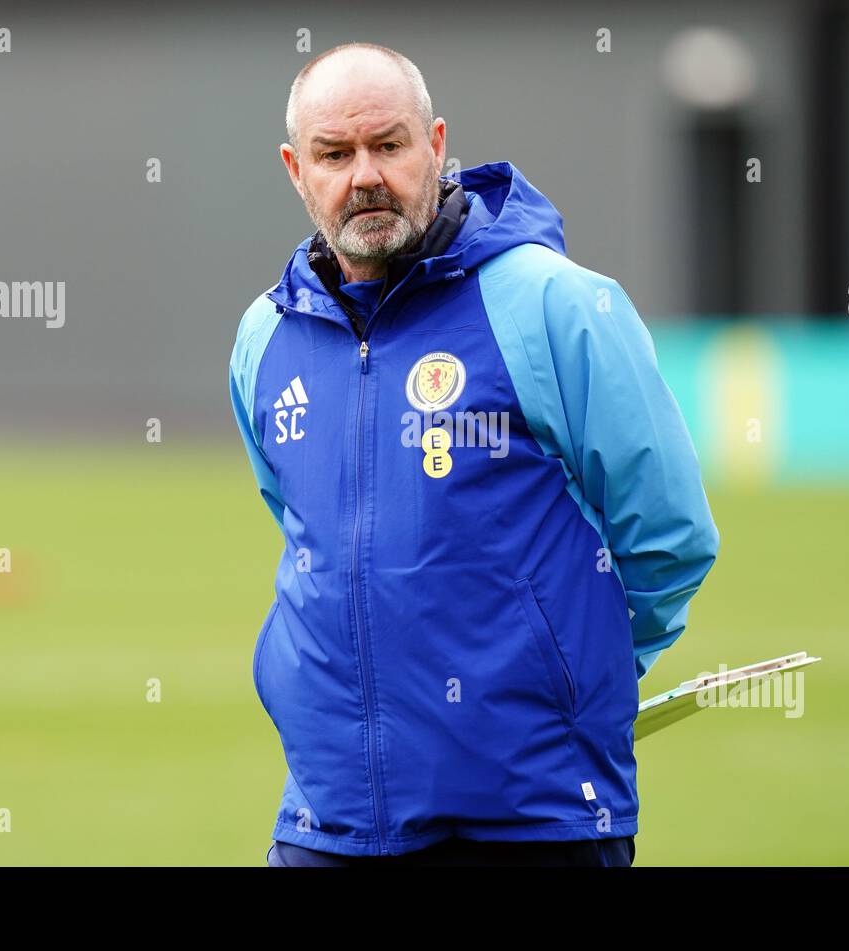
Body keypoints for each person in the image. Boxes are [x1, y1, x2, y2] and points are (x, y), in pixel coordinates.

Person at [228, 42, 719, 866]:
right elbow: (302, 528)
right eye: (335, 154)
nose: (365, 176)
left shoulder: (556, 303)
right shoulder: (264, 338)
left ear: (437, 145)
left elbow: (668, 536)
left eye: (389, 145)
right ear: (294, 169)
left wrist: (569, 672)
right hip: (331, 818)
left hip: (528, 816)